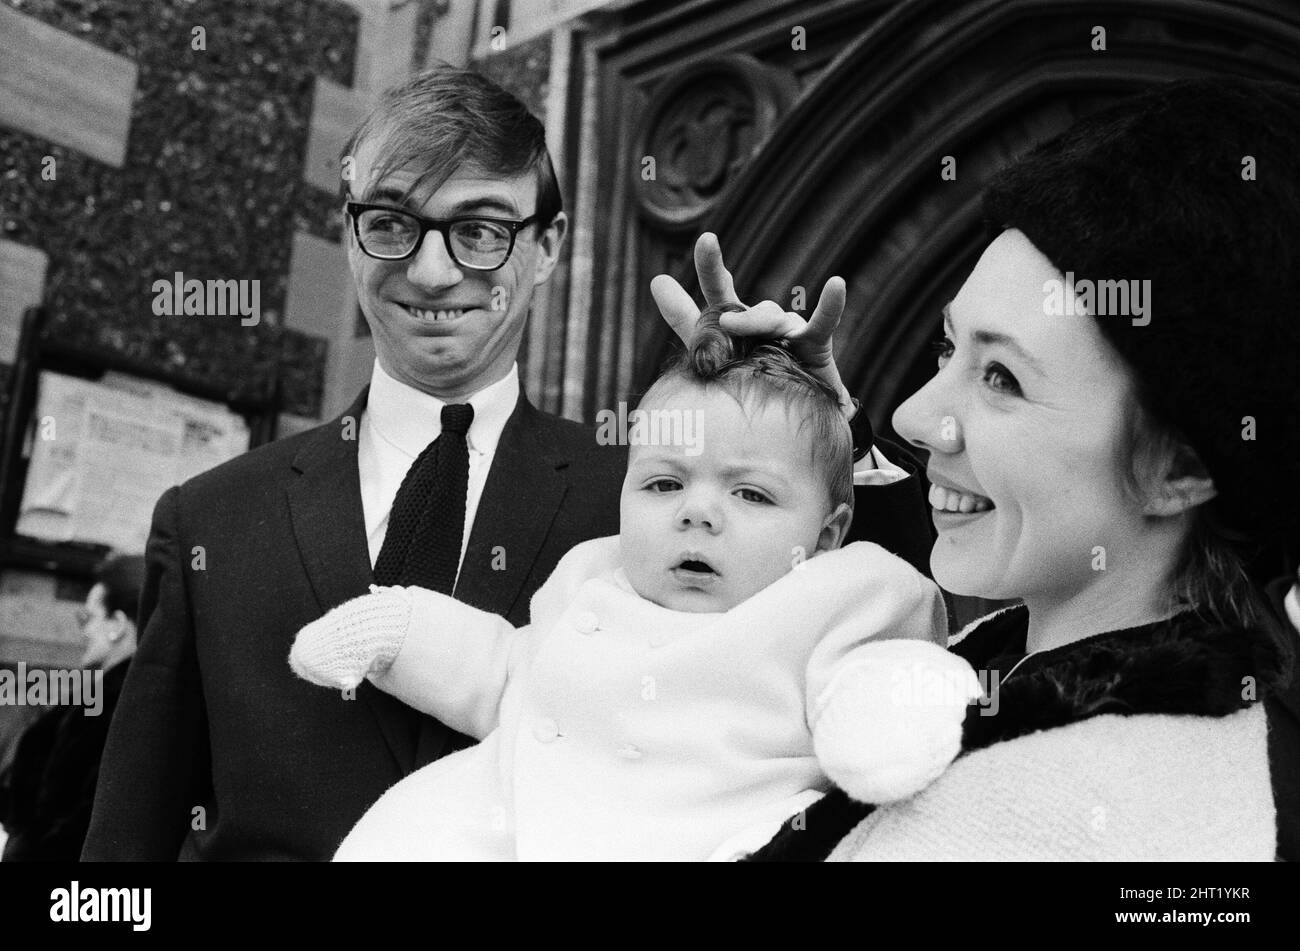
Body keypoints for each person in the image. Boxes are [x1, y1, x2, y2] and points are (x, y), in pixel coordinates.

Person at [84, 66, 934, 861]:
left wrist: (823, 419)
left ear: (551, 242)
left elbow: (880, 623)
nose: (430, 267)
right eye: (389, 222)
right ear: (348, 236)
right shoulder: (212, 518)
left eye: (481, 229)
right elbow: (126, 851)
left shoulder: (653, 501)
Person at [663, 77, 1298, 860]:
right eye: (947, 346)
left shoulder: (1160, 828)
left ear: (1181, 469)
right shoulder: (1018, 654)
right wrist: (795, 435)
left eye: (1002, 378)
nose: (911, 417)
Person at [288, 307, 964, 860]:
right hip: (505, 821)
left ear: (824, 534)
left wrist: (891, 720)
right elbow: (504, 670)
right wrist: (397, 628)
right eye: (664, 483)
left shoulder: (836, 601)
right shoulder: (593, 580)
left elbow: (878, 673)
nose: (697, 511)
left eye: (752, 494)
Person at [0, 554, 145, 862]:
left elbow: (77, 822)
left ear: (117, 625)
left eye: (87, 618)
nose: (83, 630)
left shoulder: (114, 706)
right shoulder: (105, 698)